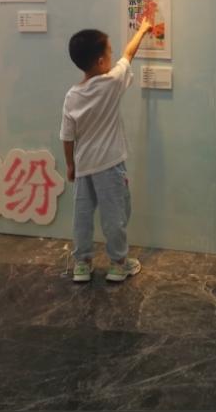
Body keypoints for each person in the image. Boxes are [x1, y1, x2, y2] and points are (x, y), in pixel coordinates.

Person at [61, 17, 154, 283]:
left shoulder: (72, 96)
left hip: (83, 166)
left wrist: (70, 165)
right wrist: (143, 29)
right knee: (115, 216)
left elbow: (67, 136)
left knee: (82, 217)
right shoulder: (111, 83)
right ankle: (118, 264)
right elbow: (129, 54)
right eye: (109, 53)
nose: (113, 58)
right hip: (110, 165)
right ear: (101, 61)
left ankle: (82, 264)